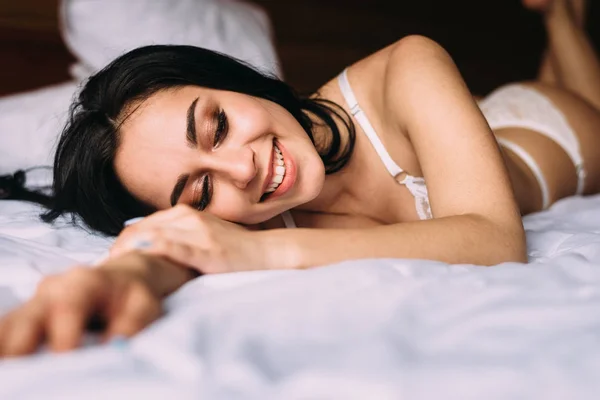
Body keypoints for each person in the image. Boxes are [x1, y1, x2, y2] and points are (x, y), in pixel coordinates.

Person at [1, 0, 599, 357]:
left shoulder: (406, 64)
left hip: (549, 129)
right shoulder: (237, 215)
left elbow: (496, 242)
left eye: (216, 126)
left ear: (232, 81)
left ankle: (561, 18)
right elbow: (180, 249)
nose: (243, 169)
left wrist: (258, 250)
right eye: (202, 190)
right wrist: (124, 275)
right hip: (464, 123)